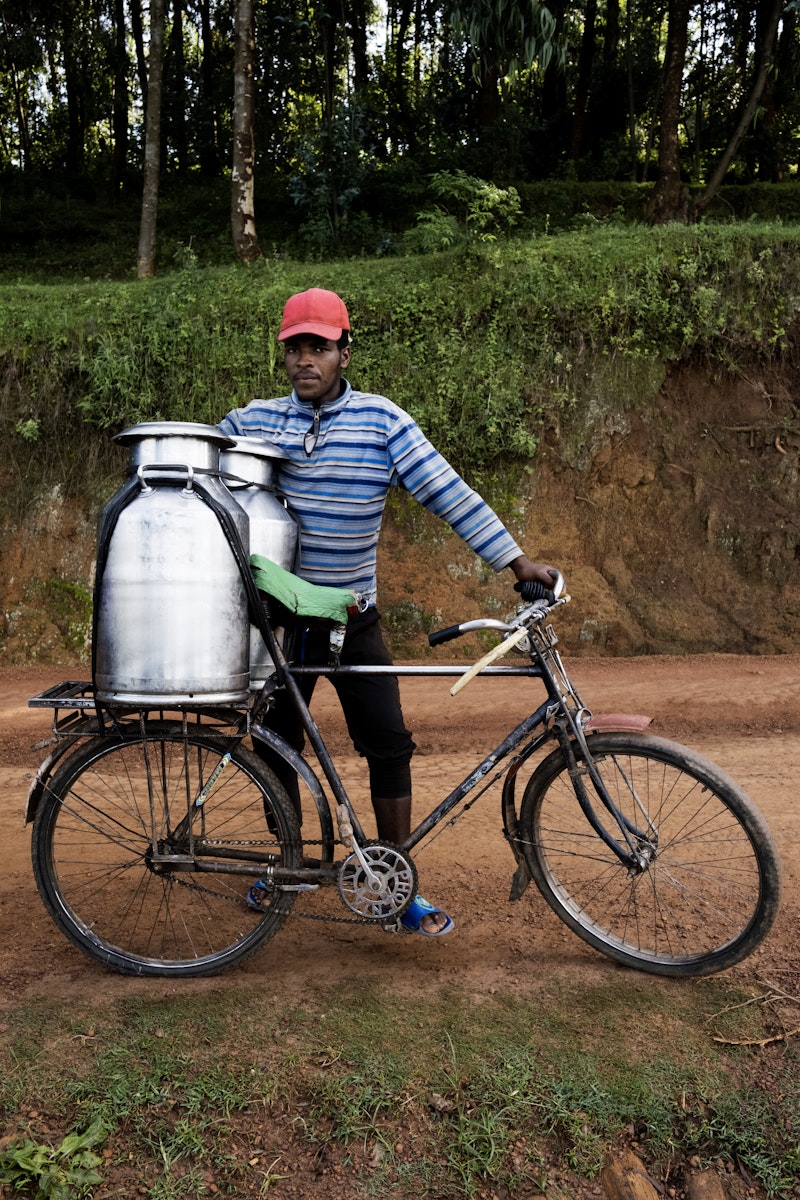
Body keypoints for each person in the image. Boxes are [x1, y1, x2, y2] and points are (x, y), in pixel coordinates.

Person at [219, 288, 559, 936]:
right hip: (285, 625)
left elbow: (448, 494)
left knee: (388, 745)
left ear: (345, 351)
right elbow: (211, 456)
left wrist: (517, 563)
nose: (305, 360)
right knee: (275, 747)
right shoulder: (257, 422)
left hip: (353, 619)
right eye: (295, 348)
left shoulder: (383, 424)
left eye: (319, 346)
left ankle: (396, 883)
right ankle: (289, 864)